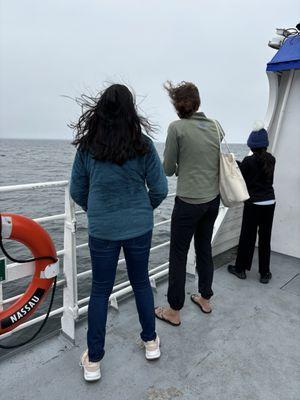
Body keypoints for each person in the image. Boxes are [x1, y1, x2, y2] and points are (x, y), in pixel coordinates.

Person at [70, 84, 168, 382]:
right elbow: (161, 189)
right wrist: (141, 209)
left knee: (100, 291)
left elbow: (77, 190)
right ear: (130, 111)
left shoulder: (88, 147)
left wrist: (98, 212)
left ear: (100, 110)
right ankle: (151, 342)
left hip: (103, 230)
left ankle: (94, 361)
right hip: (140, 227)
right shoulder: (144, 144)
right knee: (140, 283)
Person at [155, 81, 225, 326]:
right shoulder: (216, 126)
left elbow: (167, 169)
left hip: (187, 203)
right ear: (198, 102)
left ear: (177, 106)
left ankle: (174, 311)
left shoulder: (176, 129)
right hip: (212, 200)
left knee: (179, 254)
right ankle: (205, 298)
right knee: (204, 248)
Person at [228, 122, 276, 284]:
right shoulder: (272, 160)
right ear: (265, 144)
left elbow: (243, 176)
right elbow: (260, 174)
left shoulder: (248, 162)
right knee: (265, 238)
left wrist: (236, 163)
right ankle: (265, 273)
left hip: (254, 204)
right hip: (270, 202)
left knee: (247, 236)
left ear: (251, 145)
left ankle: (240, 269)